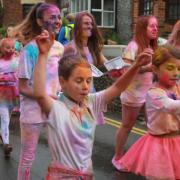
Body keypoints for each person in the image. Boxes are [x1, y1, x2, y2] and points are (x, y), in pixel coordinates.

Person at [34, 29, 153, 179]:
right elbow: (39, 94)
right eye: (79, 81)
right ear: (63, 82)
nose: (85, 86)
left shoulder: (91, 102)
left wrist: (136, 66)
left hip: (87, 174)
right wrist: (43, 54)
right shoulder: (56, 108)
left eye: (88, 80)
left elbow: (117, 87)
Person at [116, 45, 180, 180]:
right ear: (155, 69)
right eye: (170, 68)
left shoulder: (177, 88)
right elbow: (171, 106)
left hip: (176, 142)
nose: (176, 73)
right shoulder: (154, 93)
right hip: (160, 146)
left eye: (179, 68)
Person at [16, 3, 64, 180]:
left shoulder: (59, 47)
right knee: (27, 159)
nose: (58, 21)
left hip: (54, 110)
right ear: (39, 20)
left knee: (59, 156)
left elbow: (59, 80)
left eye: (59, 17)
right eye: (52, 17)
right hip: (32, 112)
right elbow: (22, 87)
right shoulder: (30, 49)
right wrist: (44, 97)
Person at [112, 15, 158, 167]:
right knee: (127, 126)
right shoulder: (133, 46)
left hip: (149, 94)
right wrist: (147, 68)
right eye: (151, 26)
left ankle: (153, 157)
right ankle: (118, 157)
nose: (155, 29)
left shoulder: (151, 46)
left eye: (156, 26)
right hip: (133, 94)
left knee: (153, 127)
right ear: (142, 28)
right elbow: (126, 71)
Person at [64, 11, 107, 124]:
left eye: (91, 23)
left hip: (89, 93)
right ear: (78, 26)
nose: (90, 26)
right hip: (74, 96)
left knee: (87, 133)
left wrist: (123, 68)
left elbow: (108, 64)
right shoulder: (70, 48)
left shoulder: (92, 47)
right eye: (86, 23)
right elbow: (60, 72)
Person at [0, 38, 19, 157]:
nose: (11, 50)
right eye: (8, 47)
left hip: (13, 96)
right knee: (5, 119)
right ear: (2, 48)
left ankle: (2, 134)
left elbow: (21, 76)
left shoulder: (17, 60)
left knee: (7, 117)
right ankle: (7, 144)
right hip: (1, 96)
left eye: (13, 47)